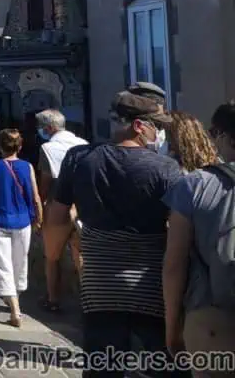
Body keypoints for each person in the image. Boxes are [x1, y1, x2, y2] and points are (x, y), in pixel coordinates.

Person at [45, 90, 183, 376]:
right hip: (151, 289)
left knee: (102, 366)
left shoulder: (79, 159)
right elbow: (180, 230)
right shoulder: (167, 169)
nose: (158, 133)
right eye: (156, 126)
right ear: (138, 125)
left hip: (99, 288)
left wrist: (53, 257)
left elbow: (57, 219)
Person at [163, 102, 235, 376]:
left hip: (212, 320)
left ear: (226, 136)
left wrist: (172, 328)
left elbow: (174, 265)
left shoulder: (196, 184)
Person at [0, 129, 41, 327]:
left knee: (3, 264)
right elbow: (36, 197)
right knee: (20, 262)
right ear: (19, 147)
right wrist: (39, 218)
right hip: (23, 222)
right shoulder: (27, 166)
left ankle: (14, 308)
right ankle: (15, 298)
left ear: (0, 146)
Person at [35, 108, 87, 312]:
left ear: (48, 128)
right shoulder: (84, 144)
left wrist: (39, 208)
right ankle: (87, 301)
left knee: (52, 256)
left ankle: (53, 299)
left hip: (58, 205)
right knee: (80, 255)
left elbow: (45, 183)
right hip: (83, 205)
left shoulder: (48, 148)